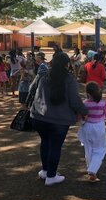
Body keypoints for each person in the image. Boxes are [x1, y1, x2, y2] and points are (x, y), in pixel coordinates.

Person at [30, 53, 88, 186]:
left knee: (45, 142)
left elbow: (34, 93)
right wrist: (84, 111)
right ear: (67, 64)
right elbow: (74, 101)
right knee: (55, 146)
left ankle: (45, 171)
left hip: (39, 117)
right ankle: (51, 176)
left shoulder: (44, 76)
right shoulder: (69, 79)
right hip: (59, 120)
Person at [78, 81, 106, 182]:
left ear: (87, 93)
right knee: (100, 149)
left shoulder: (84, 103)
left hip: (86, 127)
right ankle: (93, 170)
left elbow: (80, 117)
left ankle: (91, 170)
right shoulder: (103, 102)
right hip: (98, 127)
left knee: (88, 149)